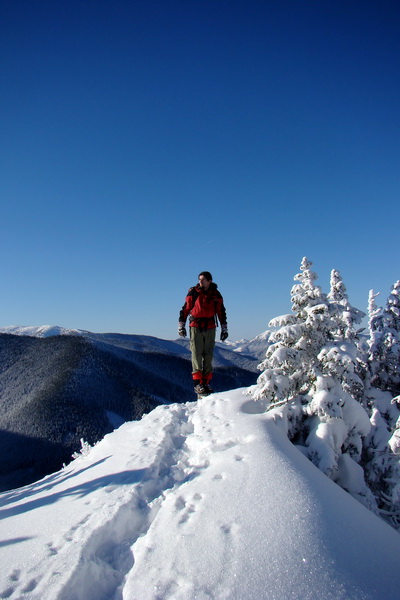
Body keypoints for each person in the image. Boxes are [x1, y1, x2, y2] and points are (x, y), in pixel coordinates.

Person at [178, 271, 228, 395]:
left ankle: (206, 382)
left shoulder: (215, 294)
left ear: (209, 281)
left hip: (210, 326)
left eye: (203, 279)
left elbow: (221, 311)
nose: (200, 282)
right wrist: (181, 326)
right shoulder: (193, 292)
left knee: (208, 354)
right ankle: (198, 383)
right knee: (196, 354)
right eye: (199, 279)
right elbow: (186, 308)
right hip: (195, 325)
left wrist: (224, 328)